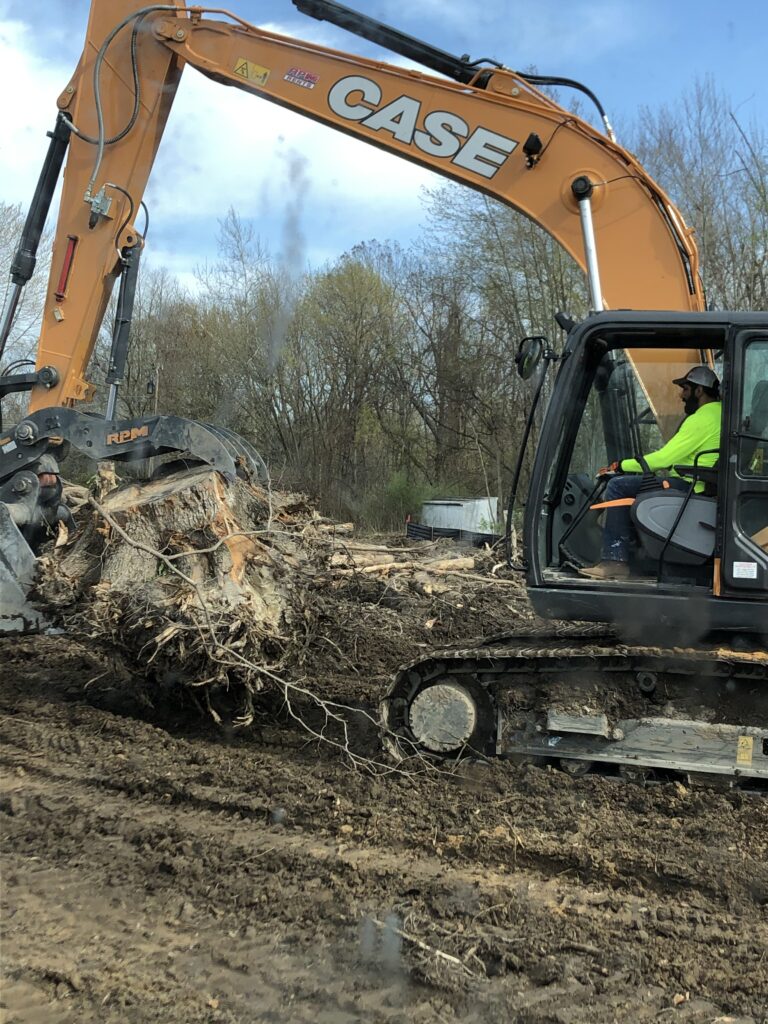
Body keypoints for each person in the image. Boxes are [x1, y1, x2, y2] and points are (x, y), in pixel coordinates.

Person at [579, 364, 722, 580]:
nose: (681, 395)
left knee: (618, 486)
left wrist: (620, 466)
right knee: (637, 484)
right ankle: (633, 554)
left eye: (685, 389)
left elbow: (664, 459)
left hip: (688, 486)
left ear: (699, 391)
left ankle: (615, 560)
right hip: (700, 483)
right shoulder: (720, 414)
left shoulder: (701, 419)